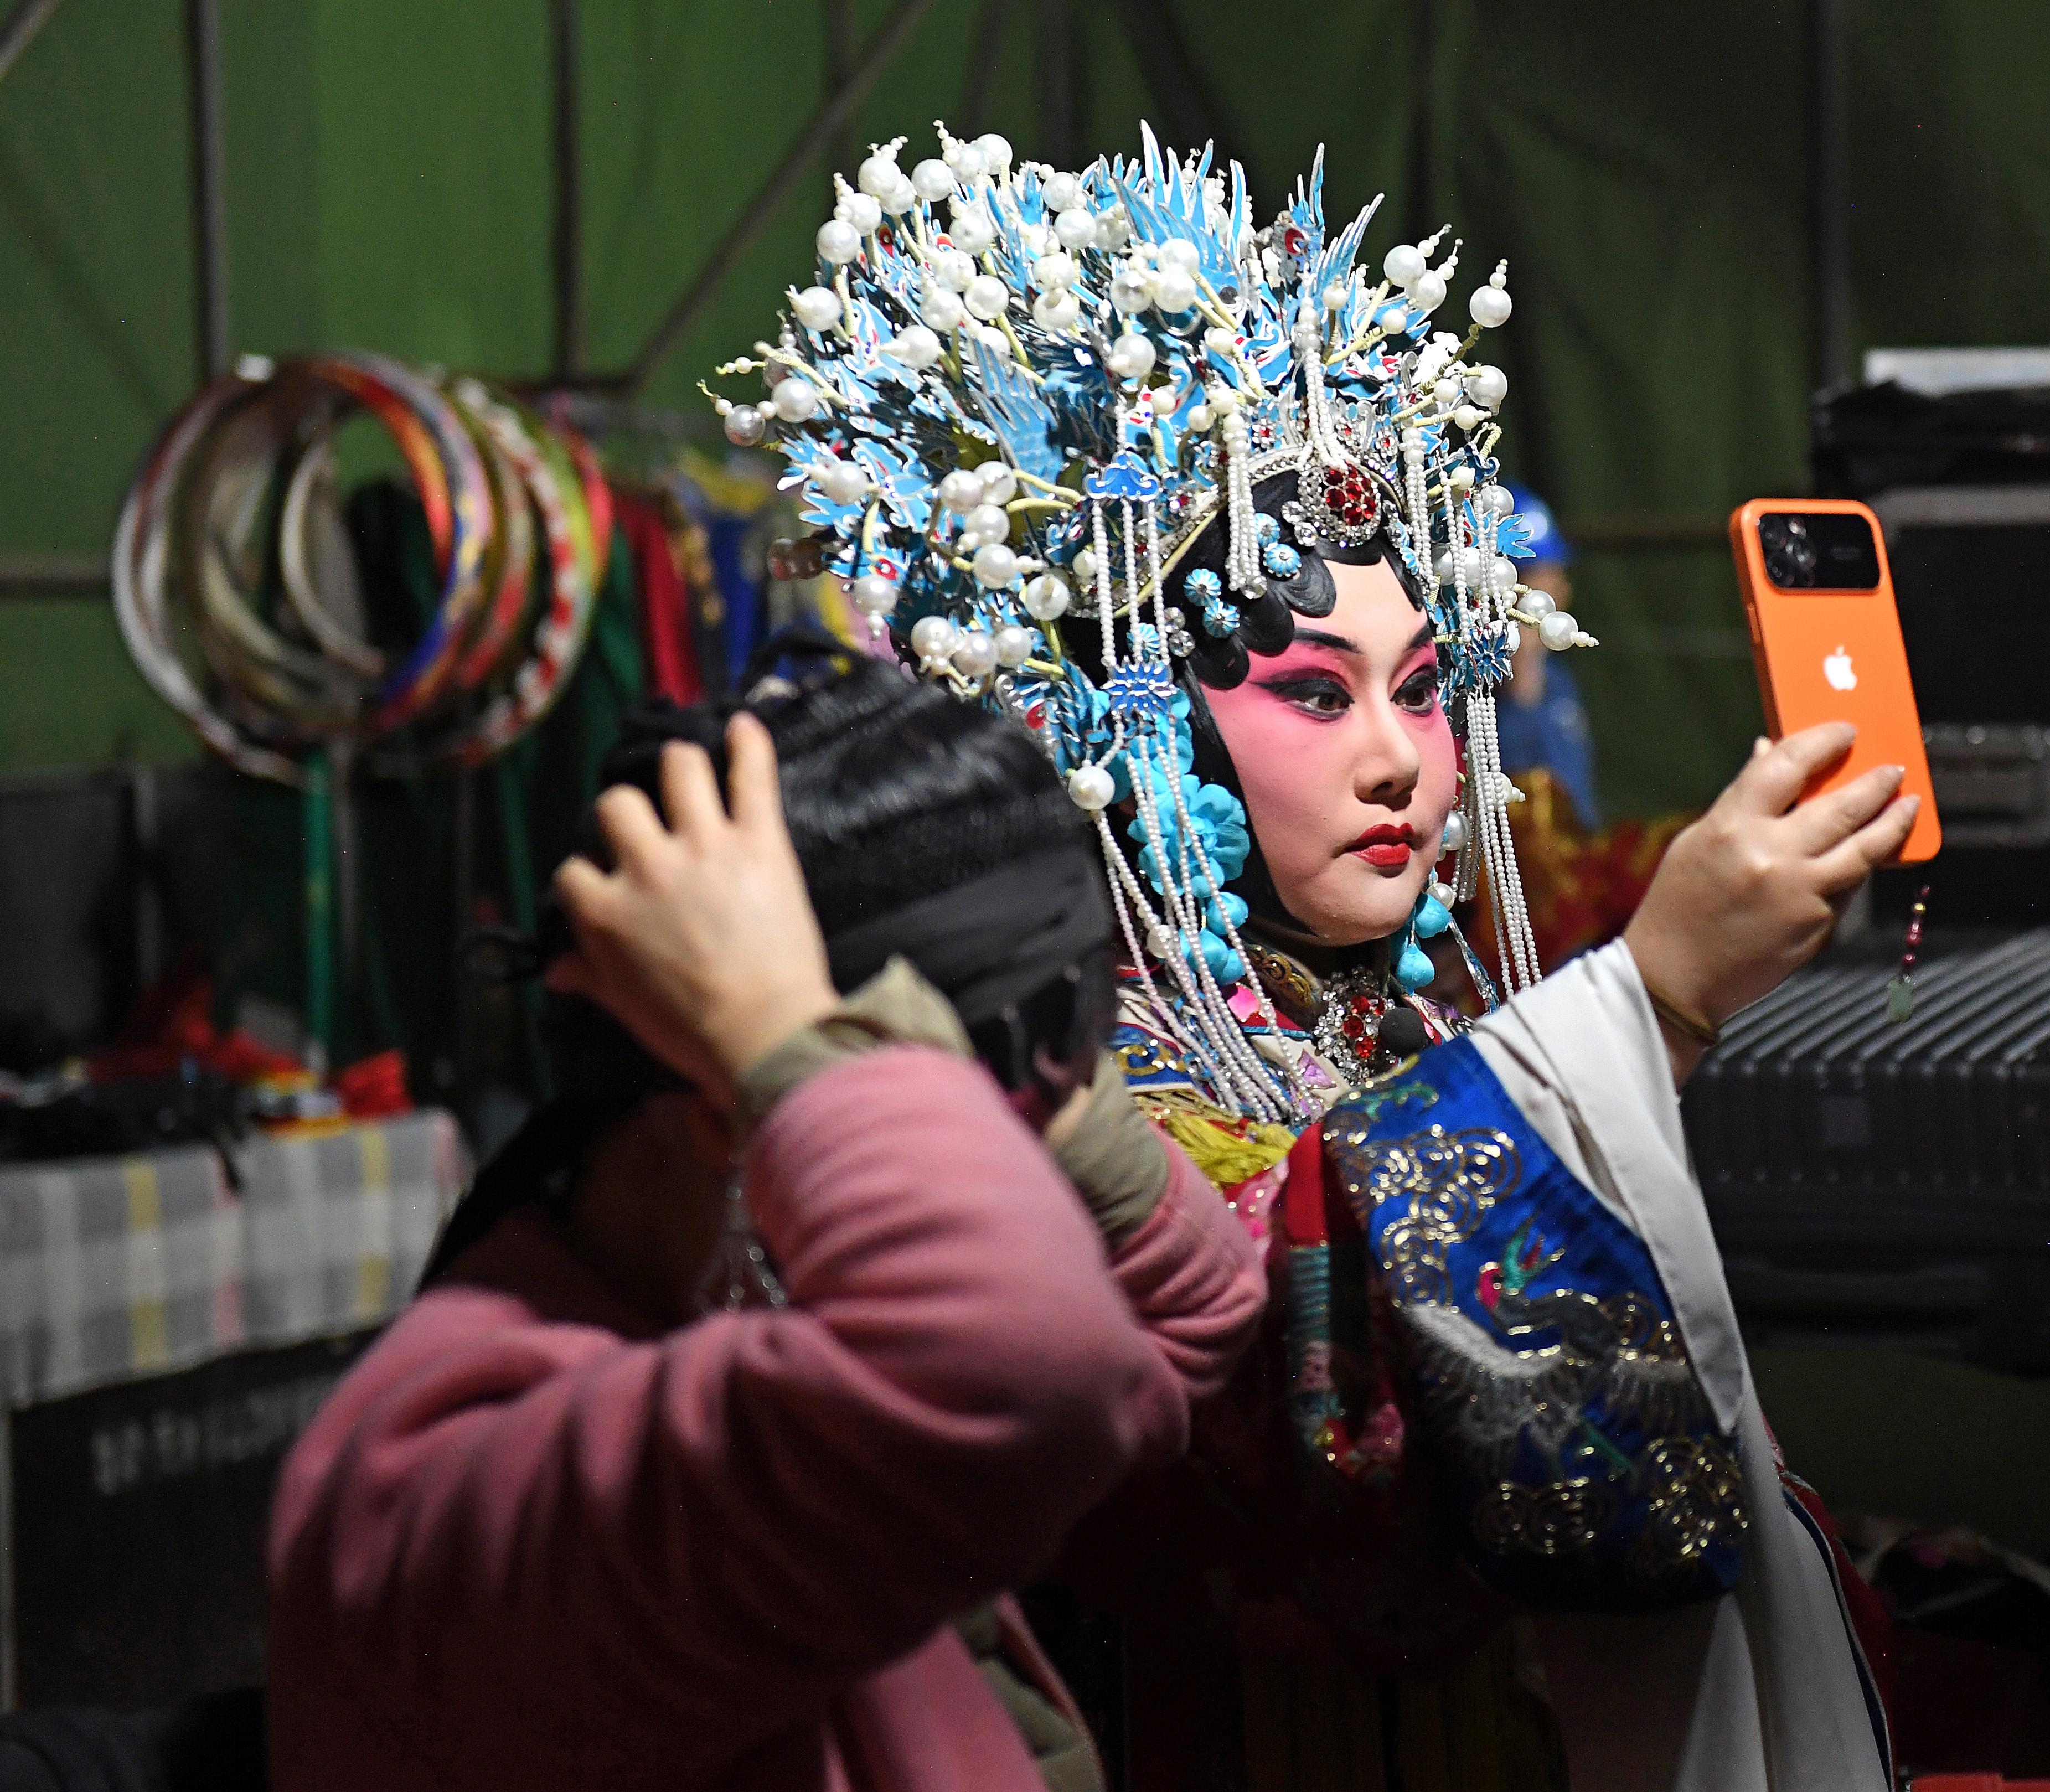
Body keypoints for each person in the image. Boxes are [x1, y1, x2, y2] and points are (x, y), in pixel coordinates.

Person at [722, 128, 1914, 1790]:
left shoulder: (1405, 1012)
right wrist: (1647, 1008)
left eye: (1421, 687)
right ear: (1139, 731)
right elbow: (1309, 1440)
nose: (1397, 761)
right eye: (1310, 690)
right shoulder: (1051, 1078)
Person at [267, 661, 1265, 1792]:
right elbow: (1018, 1362)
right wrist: (791, 1039)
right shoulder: (458, 1504)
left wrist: (1045, 1059)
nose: (1008, 1169)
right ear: (726, 1103)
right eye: (967, 1104)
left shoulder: (791, 1367)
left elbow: (1187, 1326)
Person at [1490, 486, 1602, 828]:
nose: (1563, 591)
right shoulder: (1479, 682)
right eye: (1542, 580)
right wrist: (1521, 664)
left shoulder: (1557, 677)